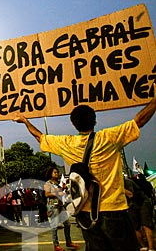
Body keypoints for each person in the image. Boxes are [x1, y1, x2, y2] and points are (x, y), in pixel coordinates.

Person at [13, 91, 156, 251]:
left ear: (74, 124)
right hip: (114, 210)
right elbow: (140, 121)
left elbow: (40, 137)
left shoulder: (67, 143)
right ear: (94, 120)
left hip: (86, 213)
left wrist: (26, 121)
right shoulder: (109, 137)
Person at [44, 167, 79, 250]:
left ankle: (68, 242)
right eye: (55, 172)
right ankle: (56, 245)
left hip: (60, 205)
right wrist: (57, 193)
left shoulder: (56, 183)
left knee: (67, 224)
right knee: (54, 226)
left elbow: (60, 192)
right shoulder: (47, 183)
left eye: (57, 172)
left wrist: (63, 189)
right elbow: (47, 194)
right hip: (53, 206)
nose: (56, 174)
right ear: (50, 174)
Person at [125, 177, 155, 251]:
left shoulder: (127, 182)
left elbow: (131, 194)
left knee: (146, 225)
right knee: (135, 227)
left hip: (142, 202)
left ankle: (151, 248)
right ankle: (144, 246)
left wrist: (120, 188)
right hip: (131, 206)